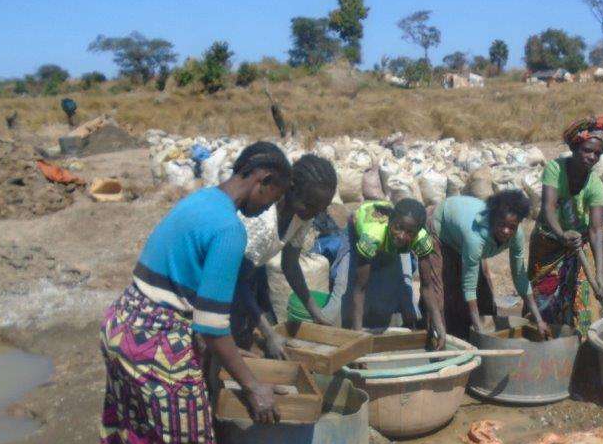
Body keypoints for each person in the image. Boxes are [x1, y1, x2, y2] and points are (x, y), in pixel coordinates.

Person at [98, 142, 289, 444]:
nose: (268, 210)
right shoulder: (229, 230)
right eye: (273, 198)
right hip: (159, 343)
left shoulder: (202, 199)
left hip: (124, 323)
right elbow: (210, 326)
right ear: (262, 180)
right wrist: (253, 385)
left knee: (147, 433)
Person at [232, 152, 338, 357]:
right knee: (230, 342)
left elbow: (290, 265)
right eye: (311, 206)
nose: (315, 214)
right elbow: (237, 281)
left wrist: (317, 314)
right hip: (224, 279)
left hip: (247, 277)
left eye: (321, 209)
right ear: (291, 189)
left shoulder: (302, 215)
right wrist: (269, 333)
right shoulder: (262, 220)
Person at [425, 190, 550, 342]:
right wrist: (479, 329)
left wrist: (539, 320)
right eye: (502, 225)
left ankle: (470, 332)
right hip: (442, 228)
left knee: (485, 296)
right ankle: (440, 338)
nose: (506, 231)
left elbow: (520, 275)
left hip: (463, 235)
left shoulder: (516, 236)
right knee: (441, 290)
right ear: (492, 219)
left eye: (511, 227)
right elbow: (469, 285)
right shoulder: (475, 238)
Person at [529, 115, 603, 337]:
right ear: (575, 148)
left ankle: (582, 347)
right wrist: (562, 234)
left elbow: (596, 230)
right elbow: (548, 208)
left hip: (577, 244)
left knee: (582, 300)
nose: (592, 157)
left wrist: (600, 275)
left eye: (597, 153)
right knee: (543, 297)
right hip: (548, 242)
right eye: (587, 150)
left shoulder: (594, 184)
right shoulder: (555, 169)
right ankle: (543, 344)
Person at [343, 198, 443, 339]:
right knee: (343, 303)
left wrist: (439, 326)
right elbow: (360, 288)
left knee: (387, 299)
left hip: (387, 241)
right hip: (359, 229)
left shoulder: (421, 239)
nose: (402, 236)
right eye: (399, 228)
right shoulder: (372, 236)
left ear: (418, 232)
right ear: (390, 221)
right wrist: (358, 338)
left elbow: (427, 286)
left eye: (410, 233)